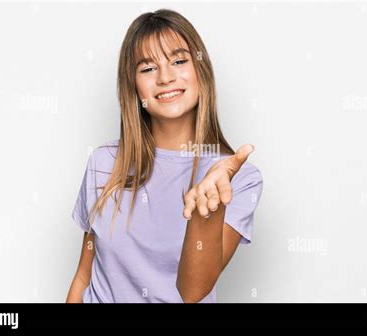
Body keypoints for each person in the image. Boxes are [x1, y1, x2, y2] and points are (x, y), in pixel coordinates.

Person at [66, 8, 263, 303]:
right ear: (132, 86)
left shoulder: (238, 179)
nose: (166, 77)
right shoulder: (104, 162)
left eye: (179, 61)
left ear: (201, 71)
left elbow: (193, 291)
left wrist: (204, 215)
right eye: (147, 68)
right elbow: (84, 275)